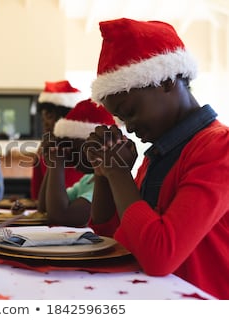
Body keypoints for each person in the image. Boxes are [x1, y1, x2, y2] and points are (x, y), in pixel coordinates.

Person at [84, 18, 229, 299]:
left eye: (131, 111)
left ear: (165, 80)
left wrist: (118, 174)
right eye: (121, 119)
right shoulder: (163, 151)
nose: (129, 127)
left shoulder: (218, 148)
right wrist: (104, 172)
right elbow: (111, 236)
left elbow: (159, 255)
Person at [38, 98, 115, 227]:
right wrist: (53, 161)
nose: (69, 153)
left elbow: (60, 216)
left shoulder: (105, 184)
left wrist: (57, 162)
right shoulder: (88, 179)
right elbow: (44, 208)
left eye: (73, 148)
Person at [31, 80, 86, 200]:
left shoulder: (77, 151)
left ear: (65, 117)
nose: (44, 122)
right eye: (43, 116)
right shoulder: (44, 149)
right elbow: (36, 196)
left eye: (49, 116)